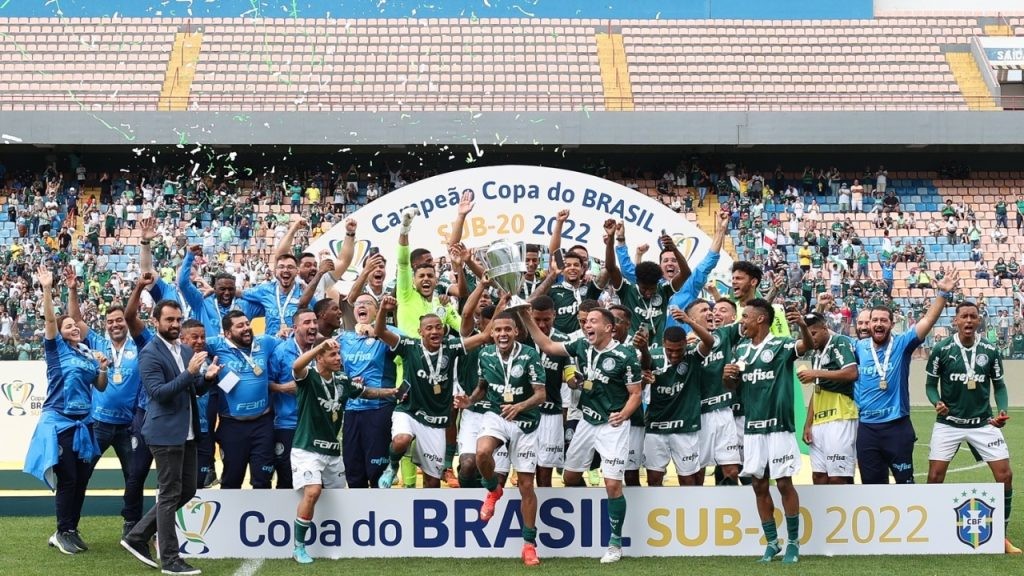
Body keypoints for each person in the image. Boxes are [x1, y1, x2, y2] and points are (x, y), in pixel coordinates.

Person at [520, 306, 641, 564]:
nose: (588, 325)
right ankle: (596, 512)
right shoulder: (581, 347)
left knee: (612, 484)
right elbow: (548, 346)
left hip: (613, 425)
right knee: (570, 476)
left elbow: (636, 394)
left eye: (594, 321)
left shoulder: (625, 354)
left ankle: (615, 544)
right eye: (586, 322)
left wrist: (624, 414)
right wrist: (524, 317)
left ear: (609, 328)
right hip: (587, 420)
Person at [120, 300, 221, 575]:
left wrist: (207, 378)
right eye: (169, 320)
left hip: (186, 432)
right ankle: (171, 559)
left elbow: (192, 390)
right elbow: (159, 393)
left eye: (178, 319)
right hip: (164, 432)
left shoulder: (185, 349)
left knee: (187, 491)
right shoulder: (150, 353)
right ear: (156, 322)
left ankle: (137, 536)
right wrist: (190, 373)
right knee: (169, 494)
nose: (175, 325)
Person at [289, 338, 397, 563]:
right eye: (333, 355)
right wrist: (319, 346)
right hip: (307, 448)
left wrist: (392, 391)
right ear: (320, 357)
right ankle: (299, 547)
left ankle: (337, 542)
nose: (339, 358)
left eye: (339, 354)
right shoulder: (309, 378)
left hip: (332, 452)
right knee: (313, 491)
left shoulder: (342, 379)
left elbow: (366, 392)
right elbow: (296, 366)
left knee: (337, 496)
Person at [24, 265, 108, 555]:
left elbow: (100, 387)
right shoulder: (56, 350)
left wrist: (102, 369)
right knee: (69, 478)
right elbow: (50, 318)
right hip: (60, 424)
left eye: (75, 324)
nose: (74, 327)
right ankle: (61, 531)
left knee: (82, 479)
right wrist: (47, 288)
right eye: (68, 325)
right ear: (59, 333)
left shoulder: (86, 353)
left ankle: (72, 528)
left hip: (85, 424)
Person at [925, 302, 1020, 554]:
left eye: (973, 317)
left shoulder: (990, 350)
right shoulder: (941, 349)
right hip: (949, 424)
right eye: (963, 316)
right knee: (934, 477)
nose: (968, 320)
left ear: (979, 321)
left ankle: (1001, 535)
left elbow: (999, 386)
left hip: (983, 423)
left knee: (1005, 475)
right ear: (954, 321)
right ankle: (932, 532)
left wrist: (1002, 411)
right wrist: (937, 403)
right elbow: (930, 386)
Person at [722, 299, 813, 564]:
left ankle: (794, 543)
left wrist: (803, 327)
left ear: (760, 319)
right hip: (752, 428)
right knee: (759, 485)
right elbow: (731, 387)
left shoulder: (781, 345)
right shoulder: (740, 350)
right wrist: (728, 376)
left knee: (784, 482)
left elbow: (806, 346)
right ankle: (772, 543)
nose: (742, 322)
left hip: (779, 426)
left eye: (745, 317)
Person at [374, 295, 495, 489]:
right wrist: (383, 309)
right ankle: (392, 466)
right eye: (429, 328)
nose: (435, 331)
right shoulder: (409, 346)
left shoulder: (452, 346)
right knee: (401, 440)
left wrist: (501, 306)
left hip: (436, 420)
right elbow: (379, 331)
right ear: (419, 331)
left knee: (432, 482)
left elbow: (485, 336)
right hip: (409, 411)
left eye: (438, 327)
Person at [456, 312, 547, 566]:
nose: (503, 334)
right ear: (492, 333)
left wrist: (520, 406)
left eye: (508, 329)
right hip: (497, 415)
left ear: (516, 331)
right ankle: (492, 490)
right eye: (498, 330)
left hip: (526, 422)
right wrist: (470, 400)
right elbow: (482, 386)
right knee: (482, 453)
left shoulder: (529, 355)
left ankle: (529, 544)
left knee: (526, 486)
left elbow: (541, 394)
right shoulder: (485, 355)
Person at [854, 274, 958, 484]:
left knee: (905, 484)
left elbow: (928, 320)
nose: (879, 324)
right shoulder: (857, 347)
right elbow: (823, 335)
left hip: (897, 426)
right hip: (866, 429)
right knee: (871, 488)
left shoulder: (902, 344)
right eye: (875, 320)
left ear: (892, 324)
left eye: (884, 320)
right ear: (868, 324)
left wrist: (943, 294)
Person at [205, 311, 282, 489]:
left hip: (263, 425)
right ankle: (228, 517)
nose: (247, 328)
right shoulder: (215, 345)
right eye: (240, 326)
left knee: (263, 480)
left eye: (247, 323)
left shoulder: (265, 342)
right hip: (232, 426)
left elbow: (290, 344)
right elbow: (190, 342)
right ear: (227, 333)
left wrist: (285, 333)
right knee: (232, 480)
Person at [637, 314, 713, 487]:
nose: (674, 354)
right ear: (663, 343)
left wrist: (689, 321)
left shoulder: (693, 356)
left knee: (688, 480)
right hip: (656, 427)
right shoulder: (651, 356)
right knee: (654, 479)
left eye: (679, 350)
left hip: (685, 428)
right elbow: (638, 386)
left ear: (686, 344)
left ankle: (691, 513)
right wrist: (643, 379)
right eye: (670, 350)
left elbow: (710, 342)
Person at [339, 294, 401, 488]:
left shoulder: (387, 332)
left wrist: (376, 331)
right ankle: (358, 517)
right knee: (353, 469)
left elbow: (408, 344)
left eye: (367, 303)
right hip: (352, 410)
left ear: (376, 310)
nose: (361, 306)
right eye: (358, 304)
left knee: (377, 472)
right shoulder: (345, 337)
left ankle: (382, 516)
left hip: (379, 409)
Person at [799, 313, 858, 484]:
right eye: (807, 335)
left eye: (814, 333)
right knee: (819, 477)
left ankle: (847, 510)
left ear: (825, 328)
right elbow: (817, 390)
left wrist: (815, 373)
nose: (811, 338)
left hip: (840, 417)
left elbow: (852, 372)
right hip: (819, 421)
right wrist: (808, 424)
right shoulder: (815, 353)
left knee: (838, 477)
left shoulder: (839, 342)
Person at [267, 309, 319, 489]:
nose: (312, 326)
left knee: (317, 480)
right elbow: (266, 383)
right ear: (295, 328)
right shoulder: (280, 351)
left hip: (317, 426)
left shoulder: (322, 350)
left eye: (314, 322)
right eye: (307, 323)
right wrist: (283, 387)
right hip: (288, 425)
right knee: (287, 478)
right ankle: (283, 517)